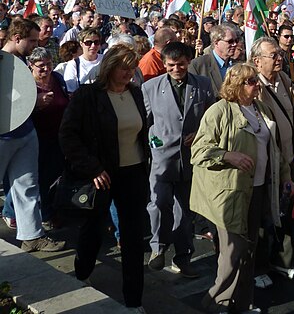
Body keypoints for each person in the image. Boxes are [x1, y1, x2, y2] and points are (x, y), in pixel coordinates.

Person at [191, 63, 288, 314]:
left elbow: (274, 148)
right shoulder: (219, 111)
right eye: (251, 81)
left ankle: (242, 304)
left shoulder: (261, 108)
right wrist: (227, 155)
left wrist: (284, 176)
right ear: (236, 85)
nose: (257, 85)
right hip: (230, 191)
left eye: (256, 80)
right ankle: (216, 303)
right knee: (232, 252)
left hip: (257, 188)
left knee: (249, 249)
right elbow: (199, 151)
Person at [60, 44, 149, 310]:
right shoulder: (89, 96)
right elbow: (68, 135)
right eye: (123, 67)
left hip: (133, 173)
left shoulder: (135, 93)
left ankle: (134, 300)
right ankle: (82, 273)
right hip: (102, 174)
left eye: (132, 67)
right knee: (94, 230)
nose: (128, 72)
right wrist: (93, 168)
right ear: (109, 67)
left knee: (133, 238)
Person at [142, 41, 215, 278]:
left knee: (185, 213)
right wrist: (150, 142)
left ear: (188, 62)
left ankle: (183, 257)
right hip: (162, 158)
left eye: (181, 65)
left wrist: (200, 133)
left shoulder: (203, 85)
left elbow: (212, 118)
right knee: (159, 203)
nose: (176, 70)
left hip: (190, 159)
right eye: (171, 65)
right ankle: (158, 248)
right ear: (164, 64)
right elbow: (144, 122)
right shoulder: (151, 87)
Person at [0, 20, 65, 252]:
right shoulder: (3, 62)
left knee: (28, 185)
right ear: (17, 38)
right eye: (32, 41)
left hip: (25, 132)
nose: (36, 45)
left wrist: (32, 105)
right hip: (4, 135)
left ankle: (32, 235)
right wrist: (33, 102)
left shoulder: (17, 63)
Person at [249, 36, 294, 281]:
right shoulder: (253, 87)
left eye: (279, 54)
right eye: (273, 55)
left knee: (288, 209)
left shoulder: (283, 79)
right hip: (267, 161)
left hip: (289, 156)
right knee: (263, 215)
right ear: (257, 61)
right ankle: (259, 267)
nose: (279, 58)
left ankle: (283, 260)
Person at [28, 47, 70, 227]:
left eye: (49, 64)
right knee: (41, 178)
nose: (46, 69)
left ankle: (51, 209)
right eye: (41, 66)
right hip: (37, 139)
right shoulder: (28, 85)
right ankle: (44, 215)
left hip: (59, 136)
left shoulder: (58, 79)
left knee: (56, 175)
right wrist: (36, 105)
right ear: (31, 66)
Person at [188, 22, 240, 97]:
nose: (235, 44)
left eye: (236, 41)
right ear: (216, 43)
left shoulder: (237, 65)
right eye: (230, 41)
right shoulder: (198, 65)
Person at [62, 28, 104, 94]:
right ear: (81, 44)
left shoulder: (105, 59)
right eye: (88, 43)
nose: (93, 46)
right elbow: (71, 91)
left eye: (96, 42)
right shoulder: (73, 64)